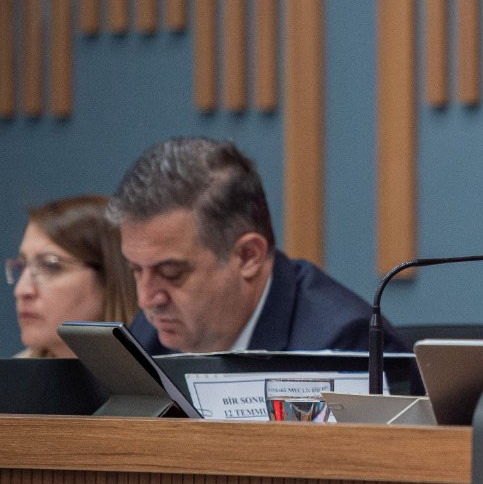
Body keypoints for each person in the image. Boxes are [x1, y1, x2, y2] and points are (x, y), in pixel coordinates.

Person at [109, 137, 402, 354]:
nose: (146, 298)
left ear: (248, 256)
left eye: (171, 273)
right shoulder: (150, 336)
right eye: (136, 270)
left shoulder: (343, 345)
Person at [9, 195, 138, 358]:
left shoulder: (161, 372)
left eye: (50, 266)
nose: (21, 291)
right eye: (22, 266)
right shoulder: (9, 372)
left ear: (110, 278)